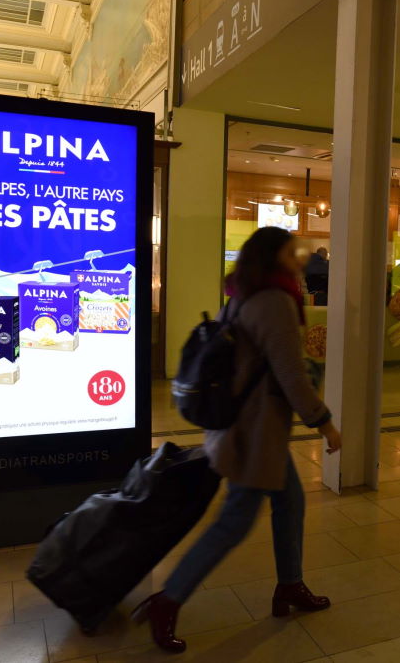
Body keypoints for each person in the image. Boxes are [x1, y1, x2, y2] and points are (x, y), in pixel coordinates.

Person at [135, 227, 342, 653]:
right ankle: (168, 600)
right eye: (292, 252)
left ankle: (290, 585)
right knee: (234, 522)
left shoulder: (243, 293)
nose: (299, 259)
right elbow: (291, 375)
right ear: (275, 258)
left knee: (291, 500)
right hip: (255, 432)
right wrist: (323, 423)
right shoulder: (276, 301)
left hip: (241, 423)